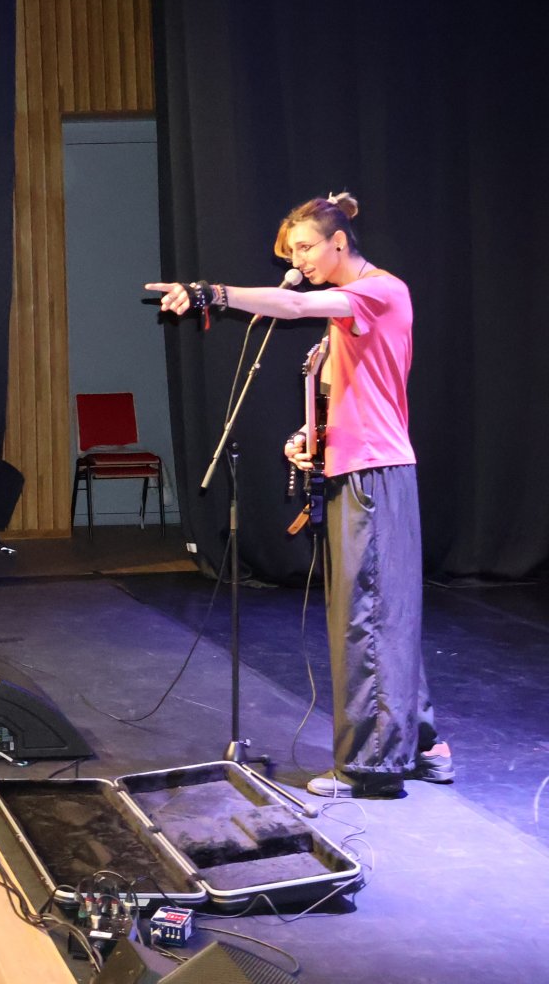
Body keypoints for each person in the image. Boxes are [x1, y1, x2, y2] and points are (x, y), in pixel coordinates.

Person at [147, 191, 446, 800]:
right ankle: (420, 745)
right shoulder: (347, 315)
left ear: (339, 242)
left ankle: (371, 767)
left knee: (368, 617)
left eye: (306, 248)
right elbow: (353, 399)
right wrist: (308, 438)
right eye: (291, 253)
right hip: (360, 468)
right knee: (383, 614)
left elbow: (292, 304)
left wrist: (212, 293)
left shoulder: (380, 291)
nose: (299, 261)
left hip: (374, 474)